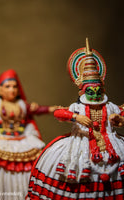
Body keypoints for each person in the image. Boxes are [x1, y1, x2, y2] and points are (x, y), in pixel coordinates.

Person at [26, 38, 124, 199]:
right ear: (83, 92)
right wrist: (75, 117)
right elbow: (59, 113)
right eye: (91, 91)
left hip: (110, 143)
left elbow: (122, 111)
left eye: (98, 91)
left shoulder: (110, 106)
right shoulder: (78, 107)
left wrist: (120, 120)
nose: (95, 95)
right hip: (81, 142)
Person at [0, 69, 57, 200]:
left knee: (35, 161)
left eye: (14, 86)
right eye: (7, 86)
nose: (11, 90)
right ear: (0, 90)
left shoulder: (22, 105)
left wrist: (54, 109)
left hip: (23, 139)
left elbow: (39, 109)